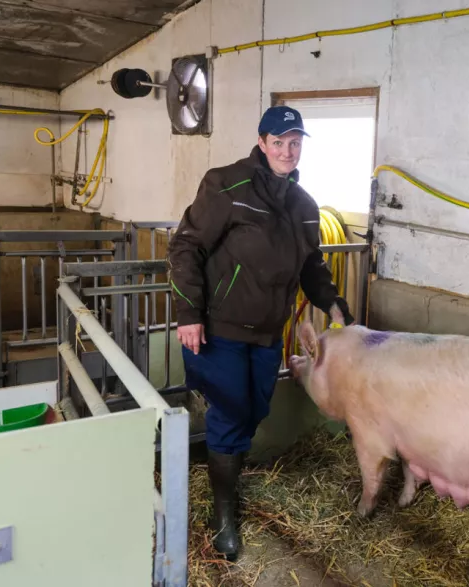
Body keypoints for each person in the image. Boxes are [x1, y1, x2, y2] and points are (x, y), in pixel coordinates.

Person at [167, 105, 353, 561]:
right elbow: (186, 245)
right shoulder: (226, 184)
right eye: (279, 142)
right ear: (262, 141)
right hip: (220, 328)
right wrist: (187, 311)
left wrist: (333, 303)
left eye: (295, 143)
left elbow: (311, 265)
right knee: (232, 414)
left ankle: (224, 464)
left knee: (256, 408)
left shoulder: (304, 205)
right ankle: (224, 515)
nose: (288, 151)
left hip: (270, 332)